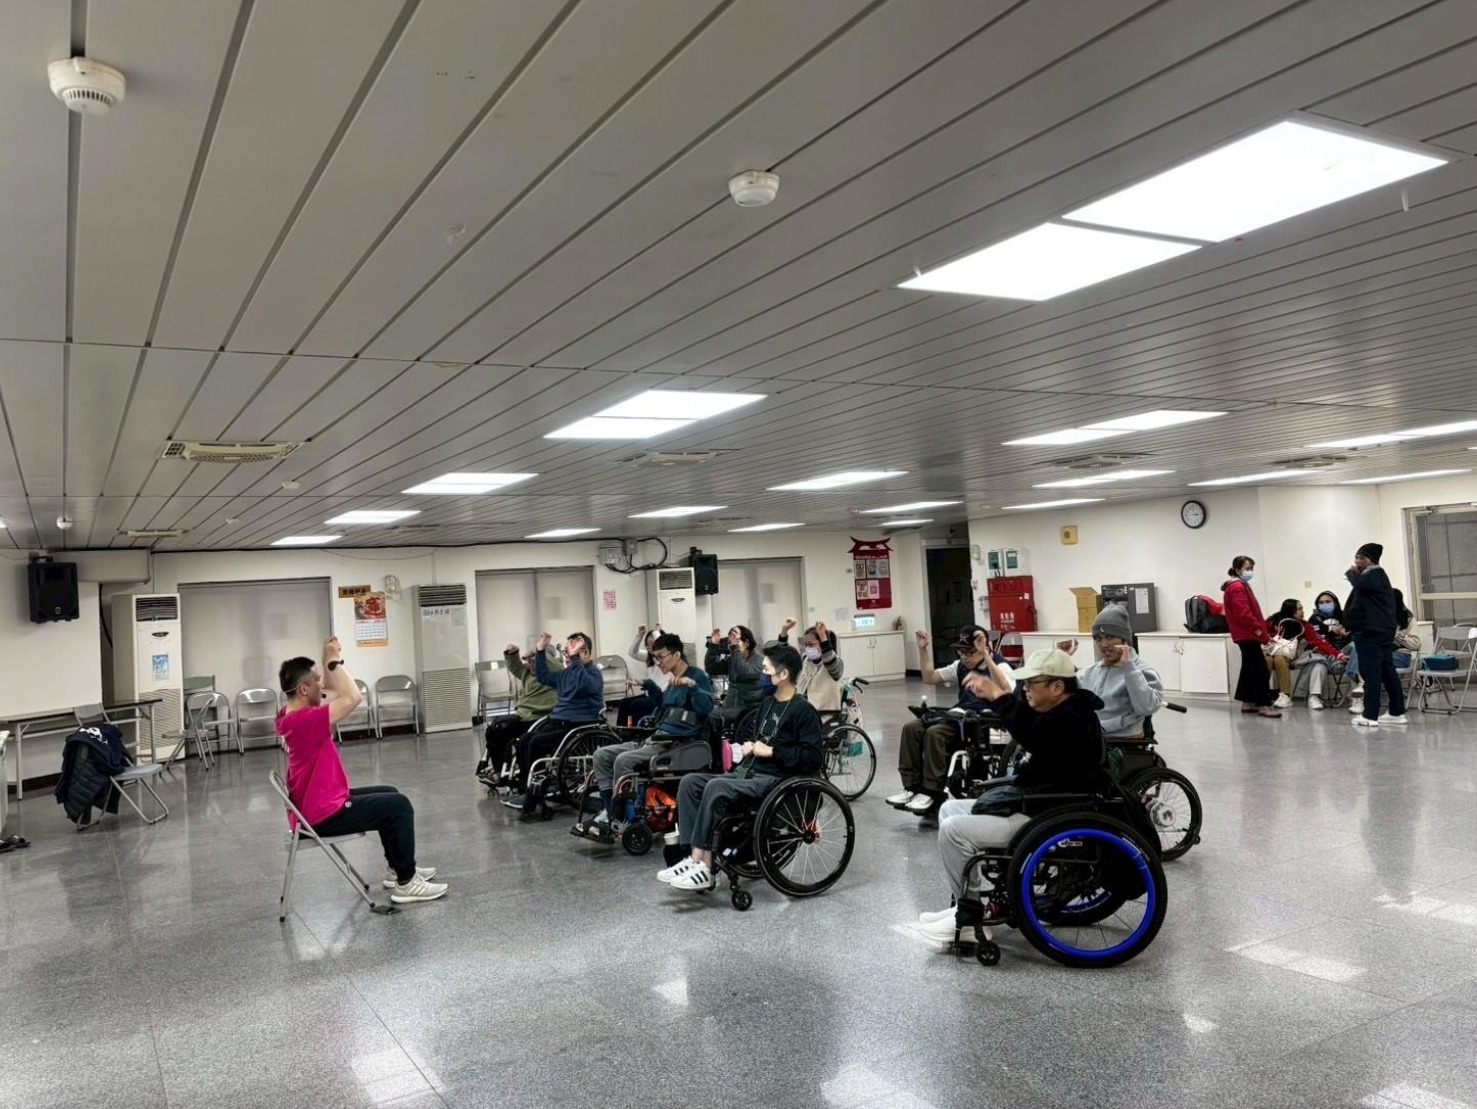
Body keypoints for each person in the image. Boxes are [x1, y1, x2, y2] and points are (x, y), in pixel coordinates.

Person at [914, 648, 1108, 942]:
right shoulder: (1064, 710)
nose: (1025, 688)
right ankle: (967, 904)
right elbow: (1030, 725)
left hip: (1049, 812)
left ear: (1057, 687)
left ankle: (971, 921)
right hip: (1039, 801)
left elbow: (1030, 732)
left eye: (1032, 683)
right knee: (948, 810)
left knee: (954, 830)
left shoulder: (1072, 718)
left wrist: (998, 696)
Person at [278, 639, 446, 904]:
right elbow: (353, 697)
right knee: (399, 806)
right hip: (322, 814)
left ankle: (398, 868)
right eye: (317, 681)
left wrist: (327, 658)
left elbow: (334, 687)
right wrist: (334, 661)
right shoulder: (304, 721)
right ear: (304, 688)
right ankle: (407, 882)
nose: (323, 686)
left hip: (317, 802)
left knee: (389, 792)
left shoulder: (290, 714)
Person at [657, 643, 823, 893]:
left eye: (766, 670)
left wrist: (773, 751)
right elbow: (761, 740)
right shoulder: (767, 705)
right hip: (751, 772)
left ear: (783, 674)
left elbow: (813, 758)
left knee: (716, 786)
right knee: (690, 783)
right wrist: (749, 746)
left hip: (776, 780)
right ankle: (693, 858)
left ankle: (702, 864)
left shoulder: (804, 711)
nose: (761, 675)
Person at [577, 633, 713, 843]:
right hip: (657, 738)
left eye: (661, 657)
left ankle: (618, 818)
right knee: (601, 755)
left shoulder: (696, 676)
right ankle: (609, 811)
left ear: (677, 655)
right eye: (655, 658)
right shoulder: (672, 681)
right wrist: (648, 685)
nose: (658, 662)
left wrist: (692, 686)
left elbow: (705, 708)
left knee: (624, 760)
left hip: (675, 743)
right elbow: (664, 707)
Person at [888, 625, 1015, 819]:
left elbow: (1007, 690)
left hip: (980, 721)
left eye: (969, 652)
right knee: (911, 728)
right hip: (958, 715)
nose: (964, 657)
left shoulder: (1001, 667)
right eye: (961, 652)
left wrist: (985, 656)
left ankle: (932, 791)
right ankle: (912, 787)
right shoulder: (960, 666)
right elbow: (929, 677)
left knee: (935, 733)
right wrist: (923, 649)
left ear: (986, 648)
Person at [501, 631, 605, 815]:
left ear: (586, 653)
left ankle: (535, 793)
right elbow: (543, 676)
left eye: (573, 651)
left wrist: (575, 659)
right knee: (525, 740)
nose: (568, 656)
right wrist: (540, 651)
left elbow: (581, 683)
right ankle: (528, 789)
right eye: (567, 651)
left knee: (536, 743)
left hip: (578, 725)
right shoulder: (565, 674)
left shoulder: (593, 674)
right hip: (558, 722)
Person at [475, 640, 560, 786]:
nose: (531, 665)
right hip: (523, 715)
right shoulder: (528, 672)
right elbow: (515, 667)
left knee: (501, 729)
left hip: (539, 717)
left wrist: (536, 653)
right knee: (494, 729)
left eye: (535, 662)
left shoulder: (553, 673)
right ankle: (500, 770)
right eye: (530, 662)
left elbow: (553, 662)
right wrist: (512, 653)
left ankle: (506, 774)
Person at [1344, 543, 1408, 728]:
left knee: (1371, 672)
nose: (1357, 562)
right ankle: (1396, 712)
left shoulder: (1373, 575)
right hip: (1381, 631)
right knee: (1387, 671)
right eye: (1356, 557)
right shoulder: (1375, 577)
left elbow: (1359, 584)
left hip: (1371, 632)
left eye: (1361, 558)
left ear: (1371, 560)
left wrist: (1351, 573)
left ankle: (1370, 715)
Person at [1076, 604, 1163, 738]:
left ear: (1125, 640)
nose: (1104, 645)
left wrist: (1128, 668)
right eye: (1098, 638)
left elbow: (1147, 708)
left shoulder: (1144, 671)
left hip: (1123, 740)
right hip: (1091, 737)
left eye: (1109, 637)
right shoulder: (1089, 673)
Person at [1222, 555, 1280, 718]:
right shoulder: (1237, 587)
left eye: (1251, 569)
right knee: (1260, 670)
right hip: (1247, 634)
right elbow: (1243, 614)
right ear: (1238, 569)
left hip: (1244, 634)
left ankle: (1247, 702)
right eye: (1247, 568)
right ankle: (1264, 705)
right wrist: (1260, 632)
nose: (1250, 572)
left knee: (1248, 668)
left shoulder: (1237, 585)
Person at [1265, 599, 1345, 710]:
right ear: (1291, 611)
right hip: (1270, 652)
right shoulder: (1273, 621)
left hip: (1288, 655)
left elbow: (1318, 642)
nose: (1302, 611)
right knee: (1267, 660)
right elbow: (1262, 633)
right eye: (1299, 609)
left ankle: (1285, 696)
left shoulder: (1304, 625)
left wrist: (1337, 655)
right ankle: (1261, 694)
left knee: (1279, 658)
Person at [775, 617, 844, 712]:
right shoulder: (805, 659)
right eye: (805, 645)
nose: (807, 648)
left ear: (822, 644)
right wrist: (784, 630)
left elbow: (829, 660)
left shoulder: (836, 664)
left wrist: (823, 637)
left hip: (823, 714)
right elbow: (783, 657)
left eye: (811, 644)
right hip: (802, 710)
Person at [704, 625, 764, 730]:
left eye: (736, 641)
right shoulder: (733, 659)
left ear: (747, 643)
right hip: (729, 706)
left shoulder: (759, 661)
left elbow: (743, 672)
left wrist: (734, 648)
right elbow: (711, 669)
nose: (731, 645)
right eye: (730, 642)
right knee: (702, 709)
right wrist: (713, 646)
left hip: (745, 710)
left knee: (709, 716)